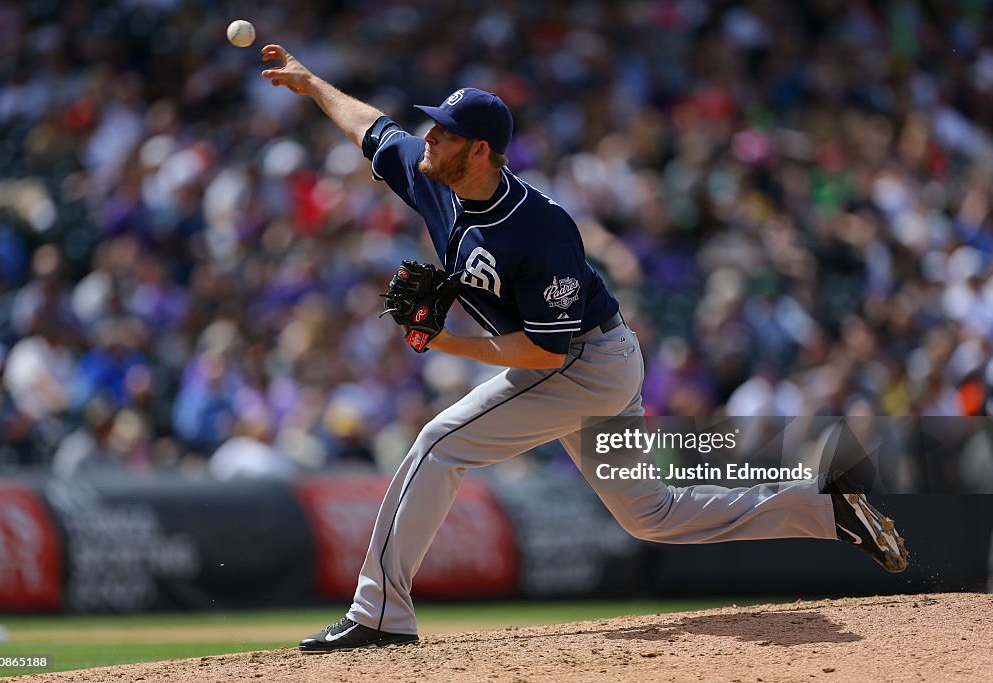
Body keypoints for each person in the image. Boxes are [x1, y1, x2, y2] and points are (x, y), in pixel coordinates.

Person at [259, 44, 909, 654]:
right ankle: (826, 506)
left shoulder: (540, 229)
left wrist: (443, 339)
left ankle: (379, 615)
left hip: (583, 363)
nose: (428, 138)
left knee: (438, 442)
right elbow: (371, 129)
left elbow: (544, 355)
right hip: (595, 360)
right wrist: (311, 82)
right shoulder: (434, 179)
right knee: (652, 514)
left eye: (445, 132)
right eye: (432, 128)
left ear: (481, 150)